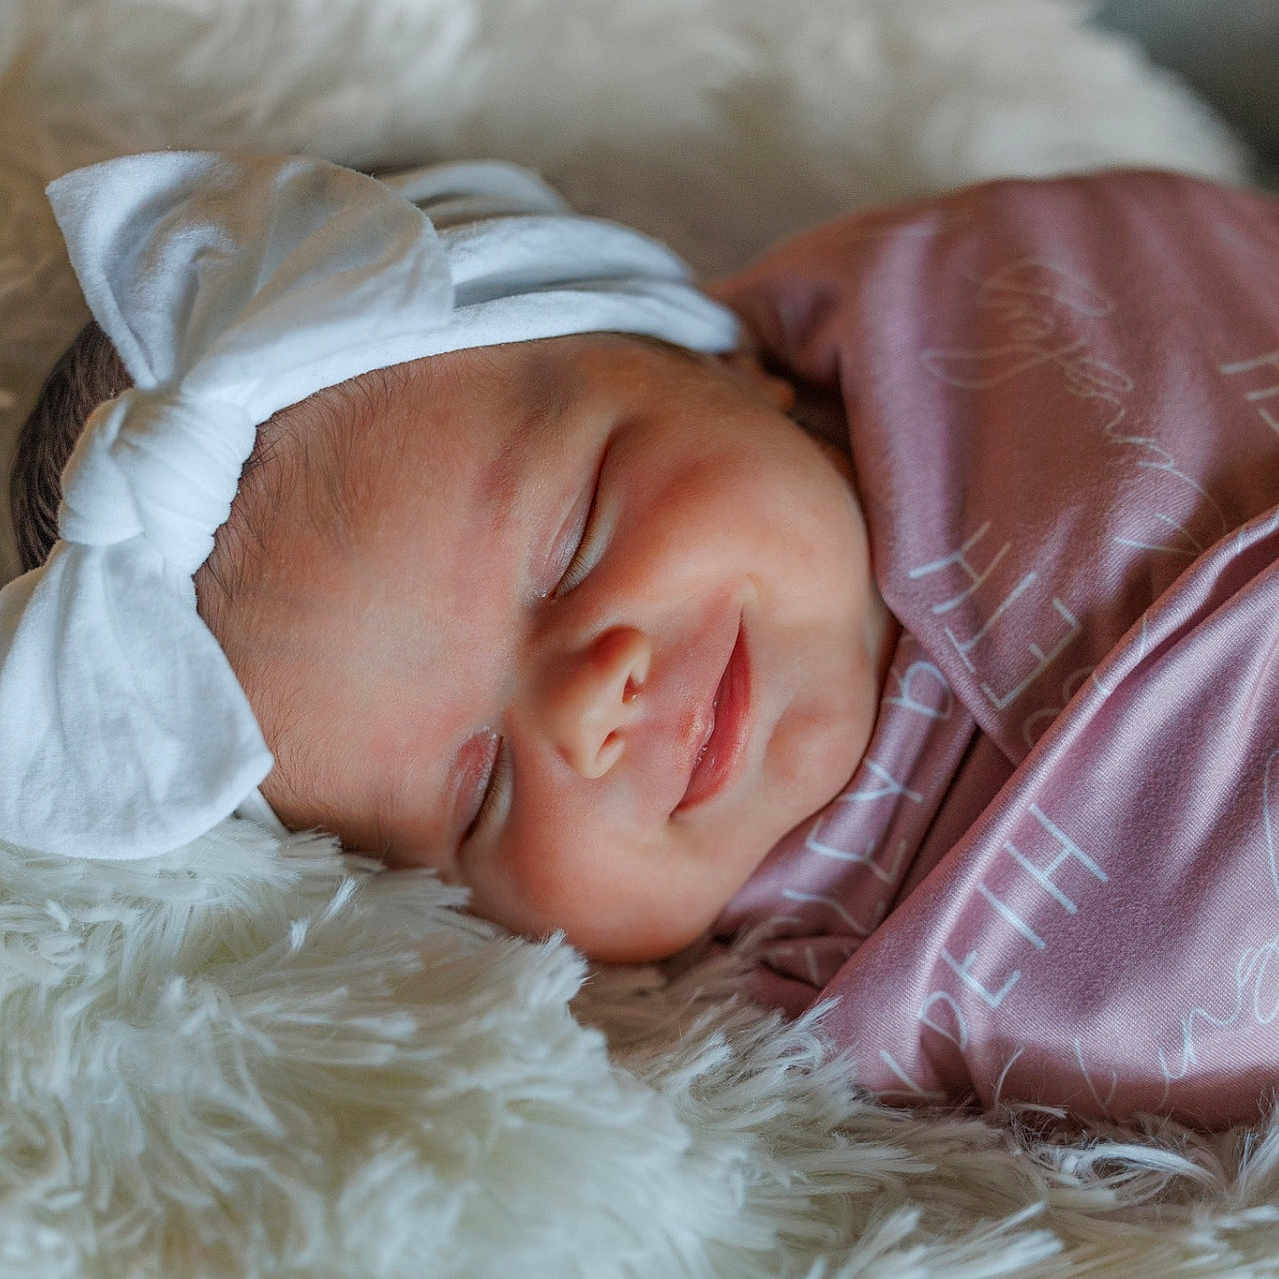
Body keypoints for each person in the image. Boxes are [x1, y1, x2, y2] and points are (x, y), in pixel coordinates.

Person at [5, 153, 1278, 1125]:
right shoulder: (832, 1042)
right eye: (484, 785)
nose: (588, 706)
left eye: (573, 543)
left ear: (725, 362)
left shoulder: (1006, 291)